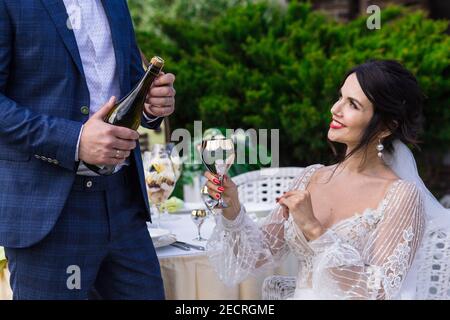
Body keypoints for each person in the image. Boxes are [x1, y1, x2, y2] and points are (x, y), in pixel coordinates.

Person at [204, 60, 450, 299]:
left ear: (386, 127)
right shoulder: (312, 176)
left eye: (352, 104)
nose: (336, 108)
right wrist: (232, 206)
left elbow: (378, 292)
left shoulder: (401, 195)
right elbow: (257, 256)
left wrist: (314, 228)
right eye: (340, 97)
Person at [0, 0, 175, 299]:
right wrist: (75, 141)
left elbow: (132, 82)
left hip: (123, 205)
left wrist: (153, 104)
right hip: (49, 213)